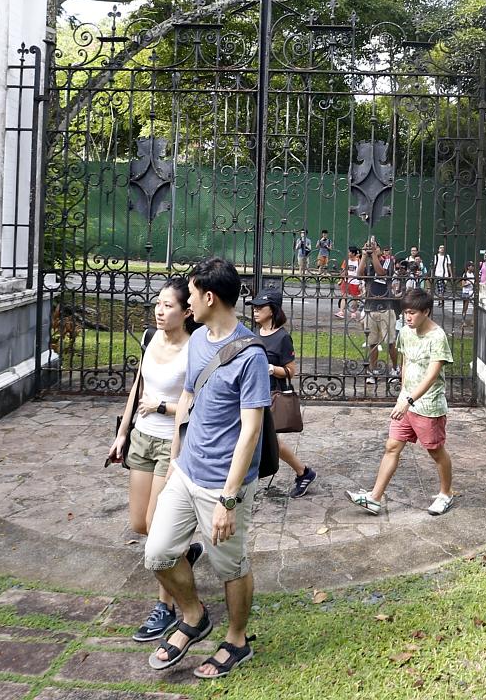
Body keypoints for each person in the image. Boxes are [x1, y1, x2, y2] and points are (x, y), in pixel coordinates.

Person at [143, 258, 271, 680]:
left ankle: (237, 640)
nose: (187, 301)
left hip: (223, 484)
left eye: (192, 294)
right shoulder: (198, 340)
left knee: (231, 567)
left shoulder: (250, 356)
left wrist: (228, 500)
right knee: (158, 552)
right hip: (186, 470)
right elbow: (189, 398)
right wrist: (177, 458)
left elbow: (251, 431)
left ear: (209, 297)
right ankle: (195, 616)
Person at [107, 278, 198, 643]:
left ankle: (167, 606)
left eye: (168, 306)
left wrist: (163, 407)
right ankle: (184, 555)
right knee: (138, 524)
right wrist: (123, 432)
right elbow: (137, 387)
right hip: (142, 439)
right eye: (158, 304)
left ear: (187, 312)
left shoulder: (194, 349)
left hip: (170, 443)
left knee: (156, 527)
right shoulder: (149, 338)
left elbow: (194, 404)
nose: (160, 311)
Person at [346, 289, 457, 517]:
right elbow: (405, 363)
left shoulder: (437, 337)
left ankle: (446, 493)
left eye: (412, 313)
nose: (408, 317)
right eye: (405, 312)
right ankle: (375, 498)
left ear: (426, 312)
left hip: (428, 405)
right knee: (392, 446)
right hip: (406, 402)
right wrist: (402, 394)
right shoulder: (406, 332)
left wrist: (409, 399)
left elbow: (432, 375)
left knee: (435, 451)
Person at [248, 289, 317, 499]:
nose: (256, 311)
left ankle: (303, 472)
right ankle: (303, 472)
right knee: (261, 438)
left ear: (273, 310)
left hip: (270, 393)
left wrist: (270, 368)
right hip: (253, 389)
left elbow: (291, 371)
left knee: (264, 438)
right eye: (255, 307)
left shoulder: (282, 337)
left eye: (261, 307)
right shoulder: (254, 332)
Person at [362, 246, 398, 384]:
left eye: (373, 247)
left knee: (390, 342)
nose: (371, 249)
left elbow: (381, 273)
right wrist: (365, 256)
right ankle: (373, 371)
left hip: (385, 308)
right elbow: (360, 274)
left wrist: (376, 256)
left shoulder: (388, 261)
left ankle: (395, 369)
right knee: (372, 343)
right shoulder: (369, 264)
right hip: (370, 308)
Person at [334, 246, 363, 319]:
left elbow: (362, 273)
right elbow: (343, 271)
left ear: (353, 253)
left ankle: (353, 312)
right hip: (346, 281)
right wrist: (342, 278)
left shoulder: (359, 261)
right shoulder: (346, 260)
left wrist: (361, 283)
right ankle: (341, 312)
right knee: (344, 296)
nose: (348, 253)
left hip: (355, 282)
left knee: (355, 299)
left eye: (349, 252)